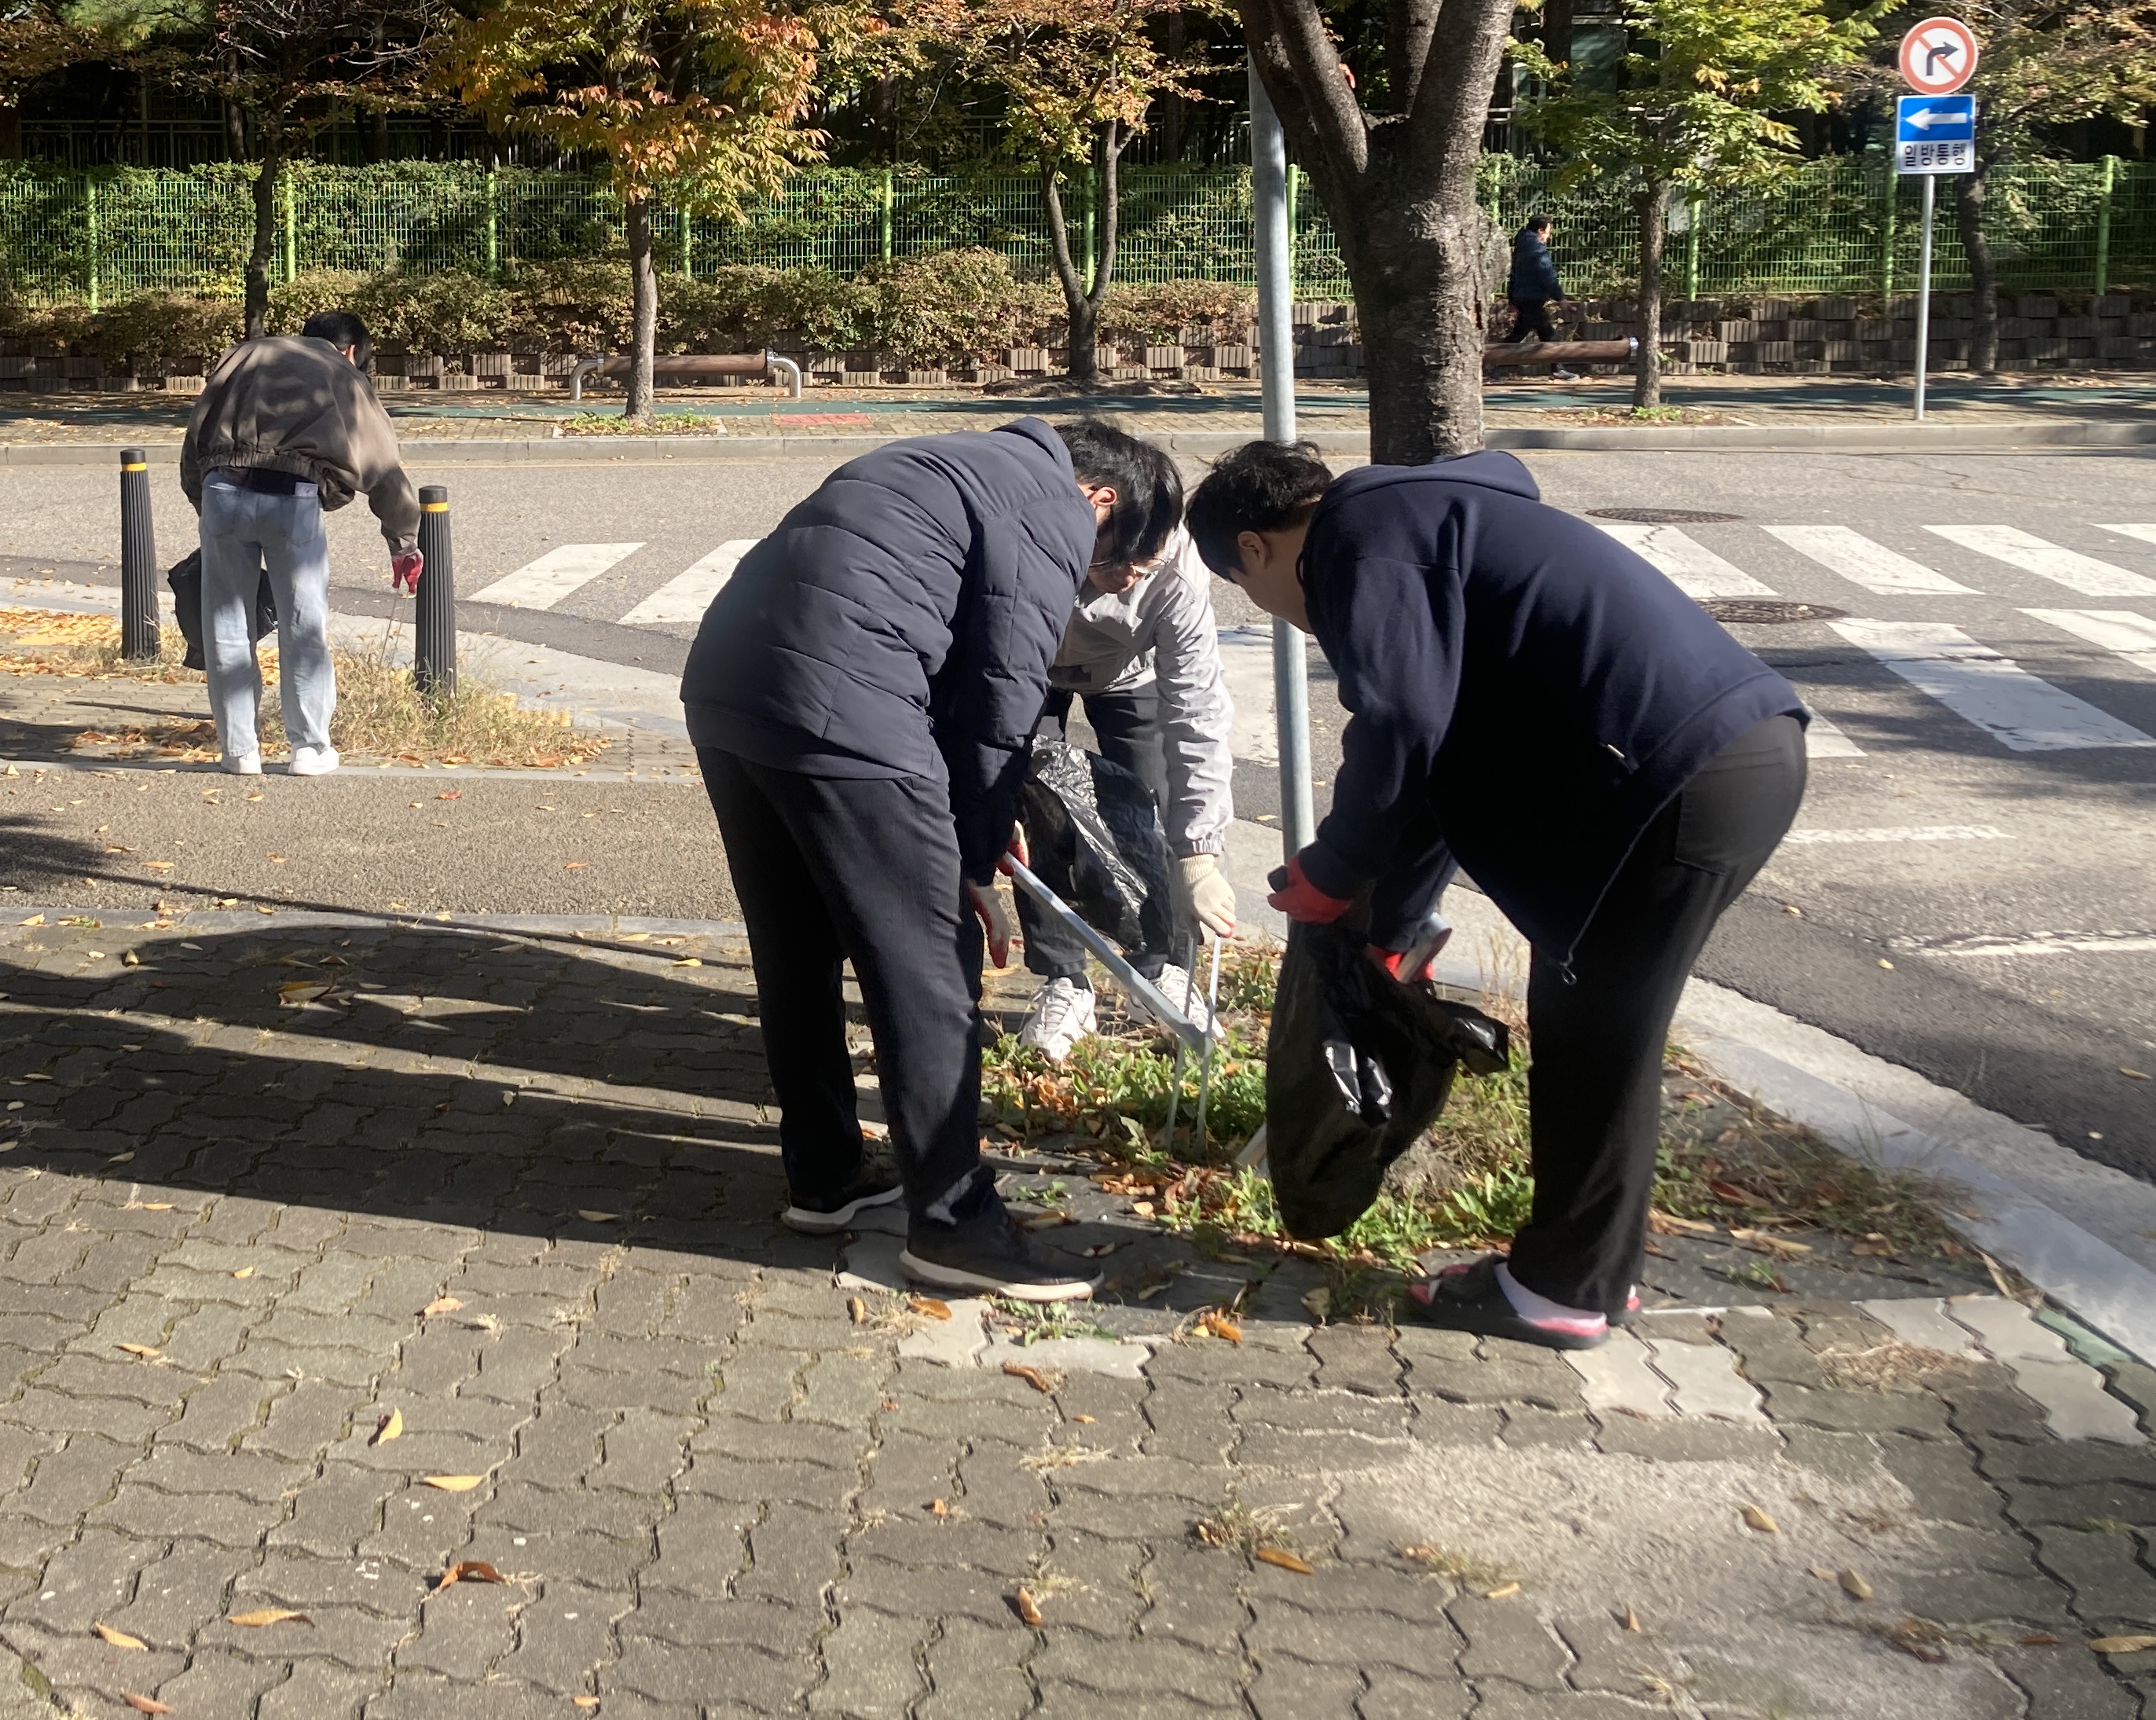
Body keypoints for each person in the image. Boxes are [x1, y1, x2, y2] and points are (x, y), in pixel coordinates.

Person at [1187, 438, 1807, 1350]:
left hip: (1684, 777)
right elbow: (1438, 766)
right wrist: (1385, 926)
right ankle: (1588, 1275)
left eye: (1253, 595)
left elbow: (1398, 722)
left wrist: (1337, 867)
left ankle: (1567, 1290)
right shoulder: (1431, 523)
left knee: (1600, 1034)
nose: (1284, 616)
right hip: (1724, 757)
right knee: (1596, 1025)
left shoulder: (1360, 536)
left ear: (1253, 549)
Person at [682, 416, 1178, 1302]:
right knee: (929, 962)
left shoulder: (951, 459)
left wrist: (959, 822)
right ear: (1103, 501)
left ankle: (827, 1177)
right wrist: (971, 860)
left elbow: (944, 648)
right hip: (843, 700)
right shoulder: (1054, 509)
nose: (1112, 585)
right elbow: (1000, 696)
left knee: (795, 948)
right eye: (1118, 565)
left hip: (729, 685)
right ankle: (955, 1224)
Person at [1018, 427, 1239, 1062]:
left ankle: (1165, 964)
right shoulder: (1042, 530)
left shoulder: (1177, 570)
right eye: (1120, 563)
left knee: (1150, 807)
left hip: (1130, 674)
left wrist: (1199, 853)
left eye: (1144, 565)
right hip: (1026, 668)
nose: (1130, 577)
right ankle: (1063, 979)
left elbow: (1195, 710)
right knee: (1040, 813)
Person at [178, 310, 423, 778]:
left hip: (220, 491)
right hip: (293, 497)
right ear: (351, 351)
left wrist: (203, 507)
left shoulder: (244, 355)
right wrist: (403, 542)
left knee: (228, 624)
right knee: (302, 623)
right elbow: (384, 469)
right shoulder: (342, 375)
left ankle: (239, 751)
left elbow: (195, 440)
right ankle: (309, 748)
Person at [1506, 214, 1562, 345]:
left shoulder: (1522, 245)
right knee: (1547, 335)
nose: (1548, 236)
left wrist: (1512, 297)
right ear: (1540, 231)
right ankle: (1490, 362)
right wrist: (1559, 296)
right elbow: (1546, 273)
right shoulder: (1536, 248)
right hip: (1532, 297)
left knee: (1523, 333)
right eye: (1548, 232)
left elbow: (1514, 273)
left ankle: (1559, 364)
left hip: (1523, 297)